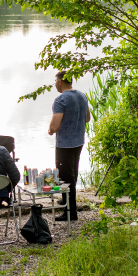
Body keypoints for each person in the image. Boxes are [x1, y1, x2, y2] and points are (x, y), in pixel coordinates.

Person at [48, 70, 90, 221]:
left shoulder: (61, 100)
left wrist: (50, 130)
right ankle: (66, 201)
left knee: (66, 177)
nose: (55, 85)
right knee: (73, 173)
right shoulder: (82, 96)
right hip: (78, 141)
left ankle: (71, 213)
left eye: (55, 82)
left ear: (60, 82)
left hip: (65, 144)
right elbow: (87, 119)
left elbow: (54, 127)